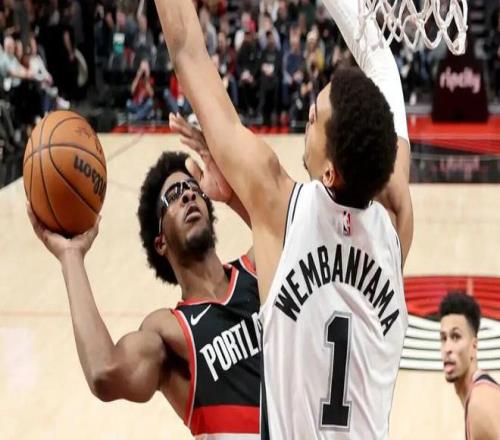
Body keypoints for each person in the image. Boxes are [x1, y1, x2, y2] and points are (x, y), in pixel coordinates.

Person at [155, 0, 413, 437]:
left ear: (329, 172)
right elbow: (383, 67)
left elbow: (188, 53)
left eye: (314, 118)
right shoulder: (395, 220)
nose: (307, 117)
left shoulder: (278, 204)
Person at [26, 116, 261, 438]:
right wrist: (71, 256)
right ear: (160, 242)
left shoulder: (258, 269)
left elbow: (291, 229)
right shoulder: (169, 332)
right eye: (173, 195)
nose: (188, 195)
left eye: (193, 189)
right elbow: (104, 372)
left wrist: (233, 195)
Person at [439, 292, 500, 440]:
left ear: (474, 346)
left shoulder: (480, 401)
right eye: (444, 338)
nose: (447, 348)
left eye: (456, 337)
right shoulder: (477, 396)